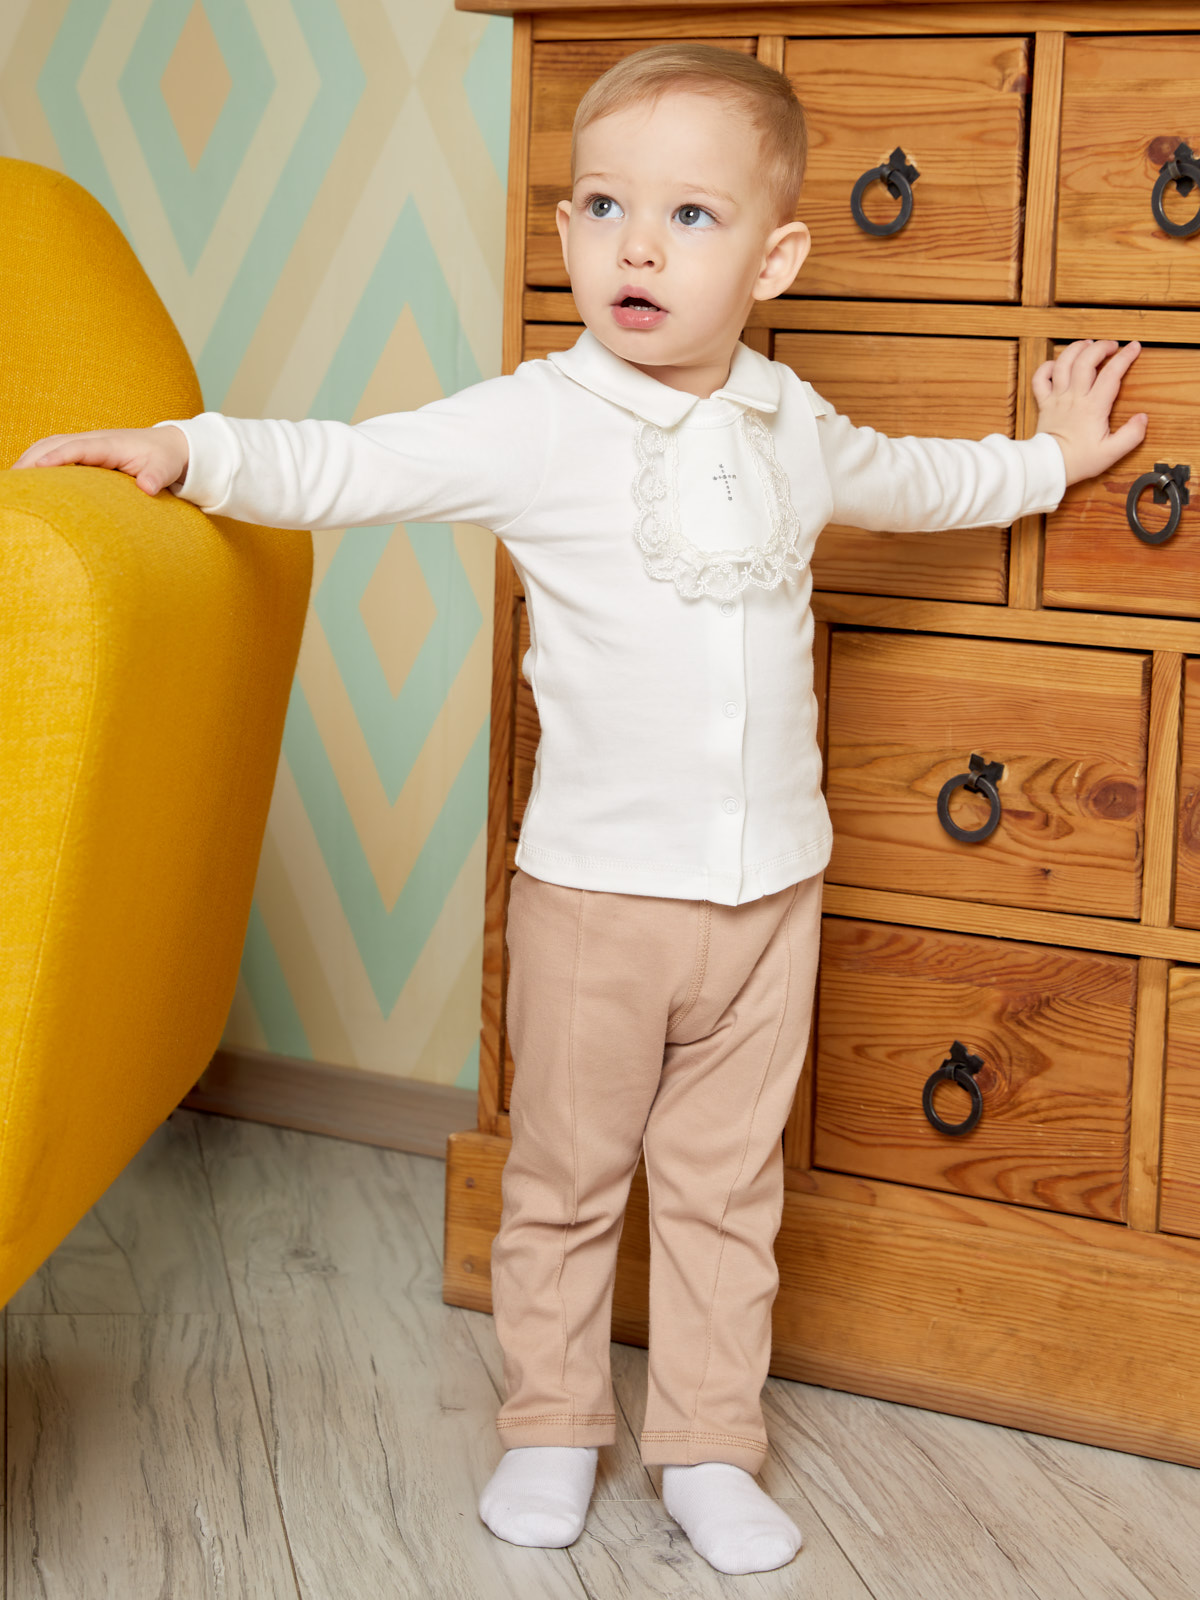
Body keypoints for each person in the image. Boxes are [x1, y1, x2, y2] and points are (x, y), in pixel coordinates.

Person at [12, 42, 1148, 1580]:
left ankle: (709, 1447)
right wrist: (185, 452)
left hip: (771, 899)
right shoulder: (539, 421)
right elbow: (355, 463)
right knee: (562, 1182)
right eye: (605, 206)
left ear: (774, 259)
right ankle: (550, 1423)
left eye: (690, 216)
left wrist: (1050, 460)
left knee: (728, 1194)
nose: (636, 247)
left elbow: (917, 481)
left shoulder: (791, 422)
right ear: (564, 232)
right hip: (598, 902)